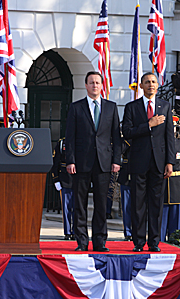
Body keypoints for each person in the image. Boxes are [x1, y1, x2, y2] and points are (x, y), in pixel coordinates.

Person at [65, 71, 121, 252]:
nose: (95, 85)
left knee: (101, 204)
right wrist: (70, 161)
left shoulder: (111, 107)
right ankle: (81, 241)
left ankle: (100, 241)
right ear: (86, 85)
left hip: (104, 163)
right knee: (79, 204)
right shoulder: (76, 107)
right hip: (81, 163)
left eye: (97, 82)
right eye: (91, 82)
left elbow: (116, 137)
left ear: (101, 85)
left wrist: (116, 160)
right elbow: (70, 137)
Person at [122, 72, 176, 252]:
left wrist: (170, 162)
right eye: (147, 82)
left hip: (159, 164)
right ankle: (138, 242)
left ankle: (154, 242)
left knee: (156, 204)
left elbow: (169, 136)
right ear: (142, 86)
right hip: (139, 162)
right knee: (138, 204)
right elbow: (127, 132)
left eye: (153, 82)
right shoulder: (132, 107)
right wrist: (149, 125)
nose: (150, 85)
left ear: (158, 85)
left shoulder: (165, 106)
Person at [51, 137, 75, 240]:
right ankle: (68, 232)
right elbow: (55, 161)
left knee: (77, 209)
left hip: (78, 179)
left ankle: (76, 231)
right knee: (66, 209)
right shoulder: (61, 143)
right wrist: (56, 179)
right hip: (65, 179)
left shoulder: (82, 140)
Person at [117, 138, 132, 241]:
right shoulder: (125, 140)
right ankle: (128, 232)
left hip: (140, 174)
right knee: (126, 206)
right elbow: (119, 150)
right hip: (126, 175)